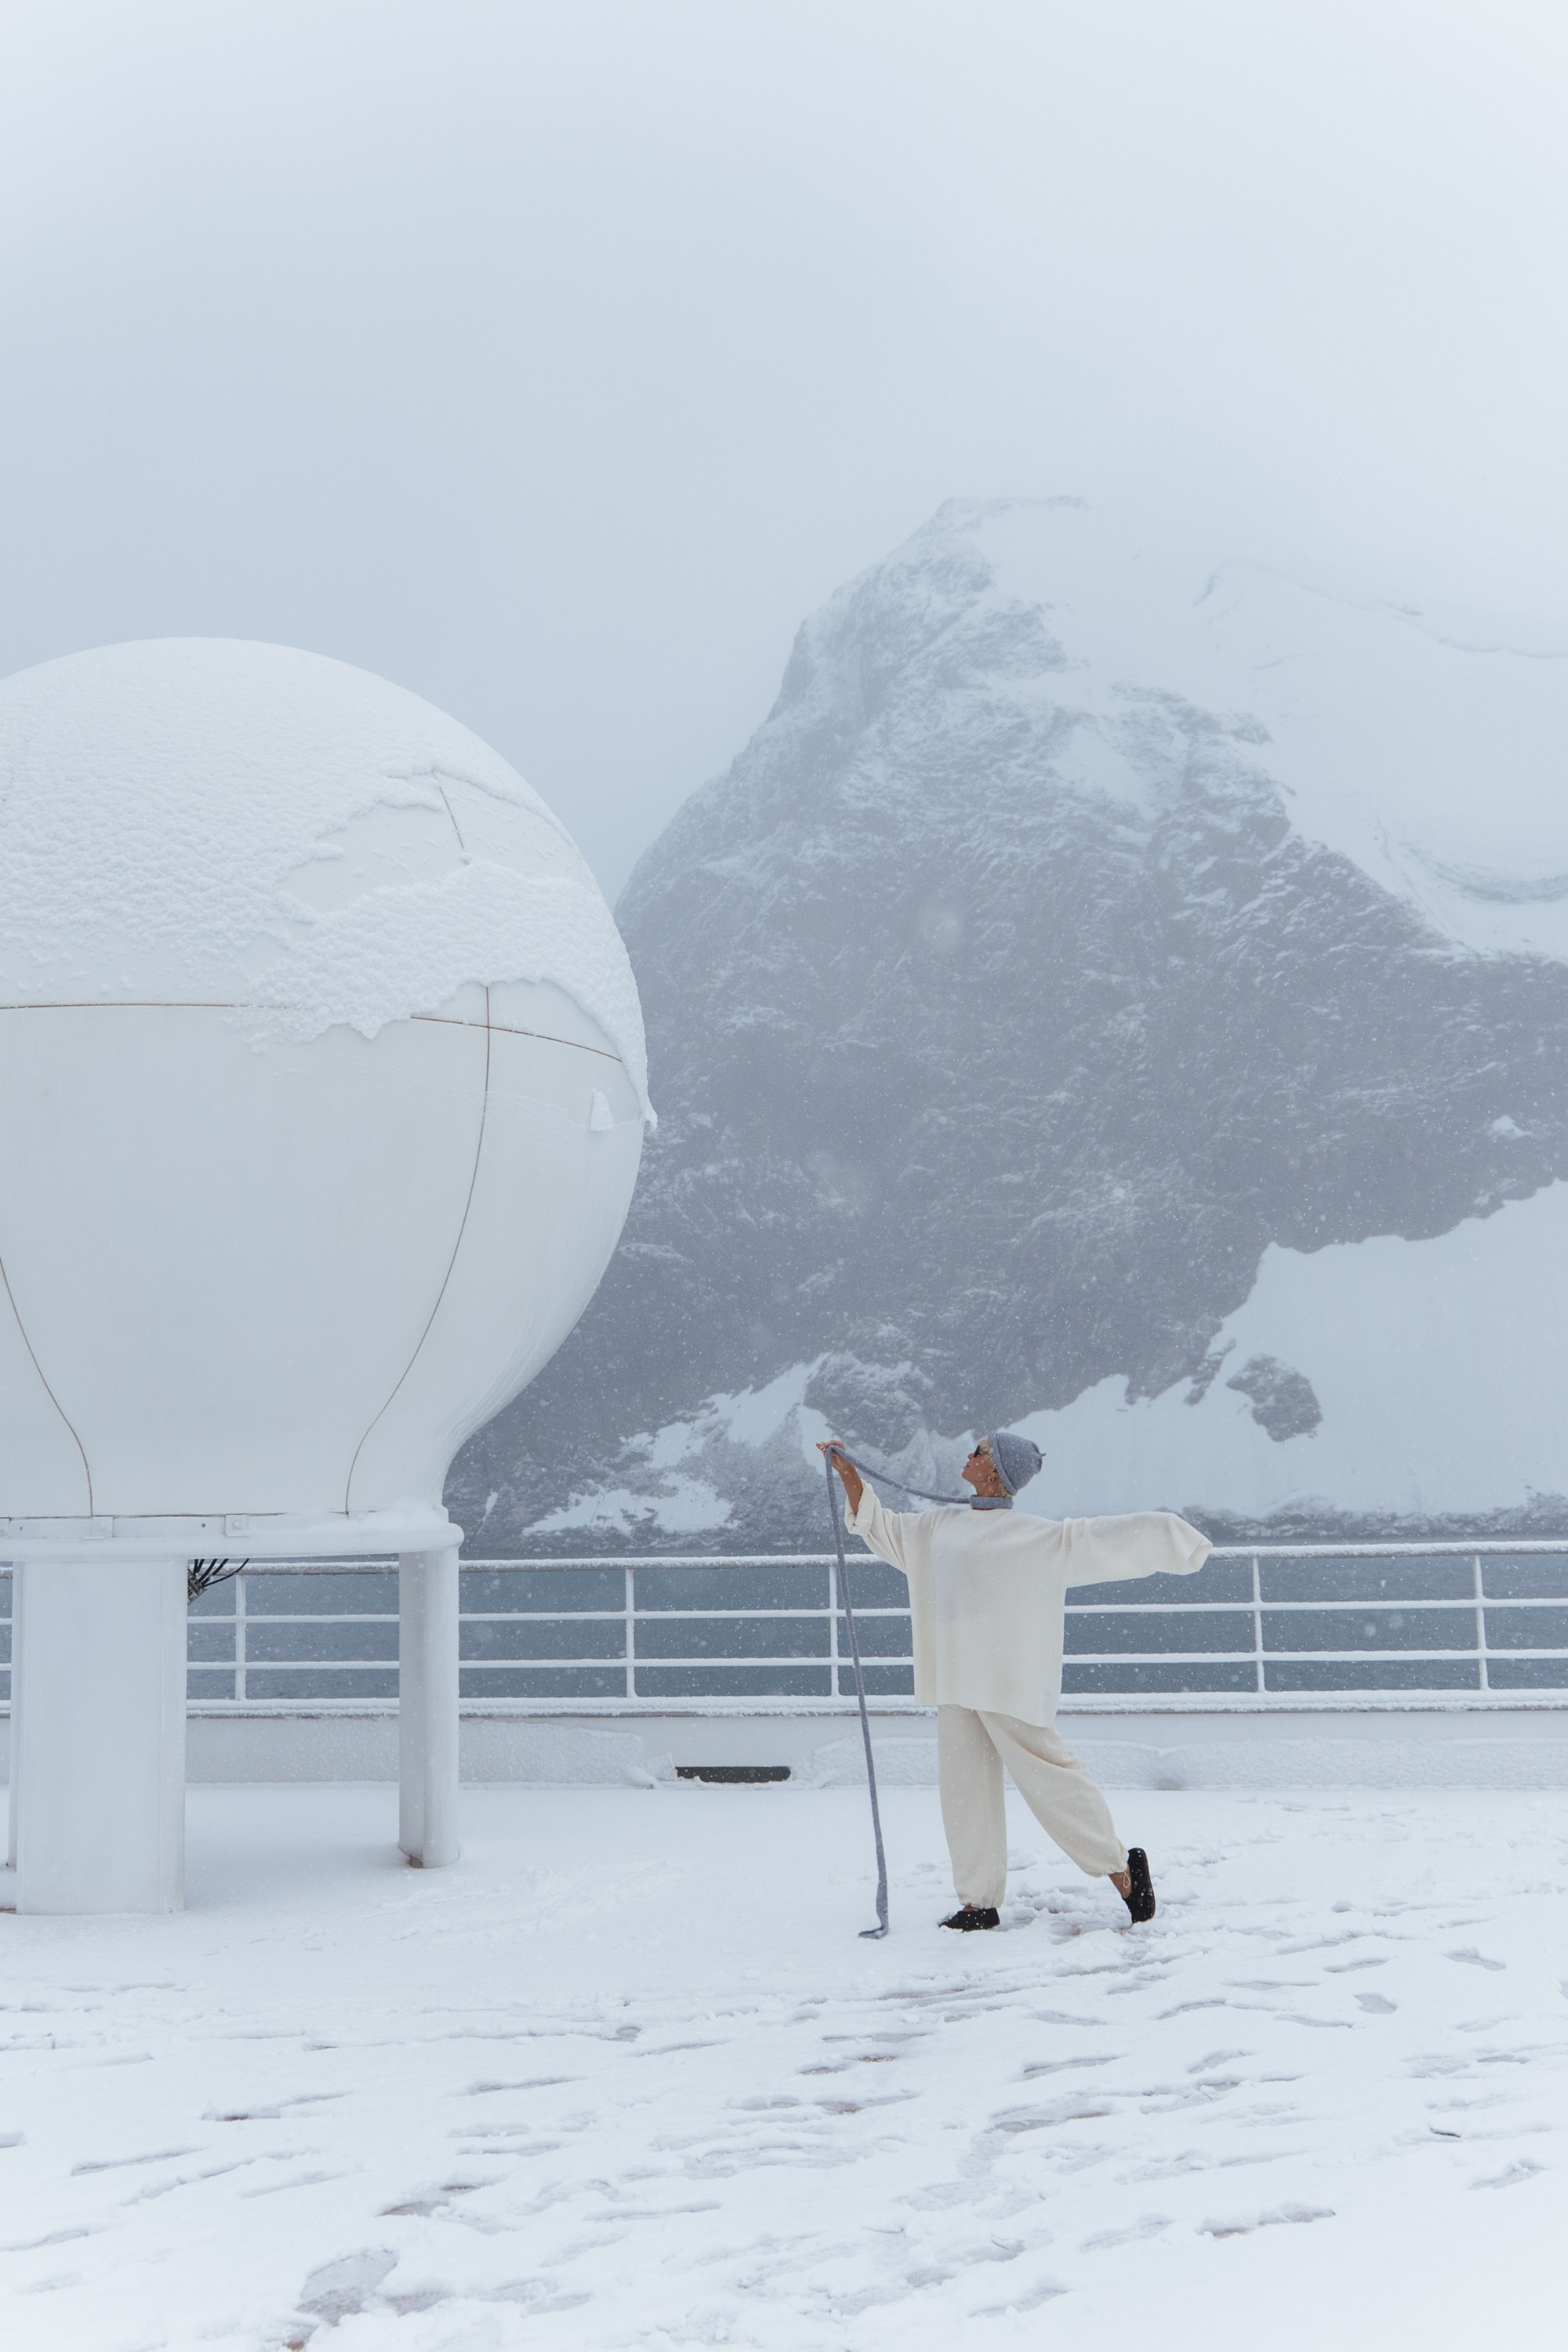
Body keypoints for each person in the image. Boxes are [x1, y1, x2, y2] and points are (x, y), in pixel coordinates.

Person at [818, 1431, 1210, 1929]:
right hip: (957, 1678)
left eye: (979, 1451)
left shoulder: (1037, 1536)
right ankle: (978, 1902)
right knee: (964, 1792)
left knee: (1050, 1779)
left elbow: (1103, 1539)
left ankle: (1123, 1872)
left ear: (997, 1472)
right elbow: (884, 1529)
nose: (969, 1455)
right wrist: (849, 1473)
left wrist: (1170, 1535)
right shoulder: (941, 1525)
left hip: (1008, 1681)